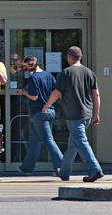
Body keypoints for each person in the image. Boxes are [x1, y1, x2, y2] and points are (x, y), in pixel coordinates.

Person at [42, 46, 103, 182]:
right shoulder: (90, 73)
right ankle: (64, 172)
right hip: (87, 114)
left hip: (73, 115)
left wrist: (47, 104)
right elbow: (96, 95)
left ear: (69, 57)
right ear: (80, 57)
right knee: (73, 144)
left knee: (81, 141)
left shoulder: (66, 73)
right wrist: (96, 114)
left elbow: (57, 92)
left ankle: (95, 169)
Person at [16, 56, 63, 176]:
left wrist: (24, 93)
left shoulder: (33, 78)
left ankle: (62, 167)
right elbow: (56, 91)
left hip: (39, 113)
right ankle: (26, 168)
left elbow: (34, 96)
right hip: (50, 111)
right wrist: (49, 104)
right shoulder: (48, 75)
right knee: (35, 141)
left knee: (48, 140)